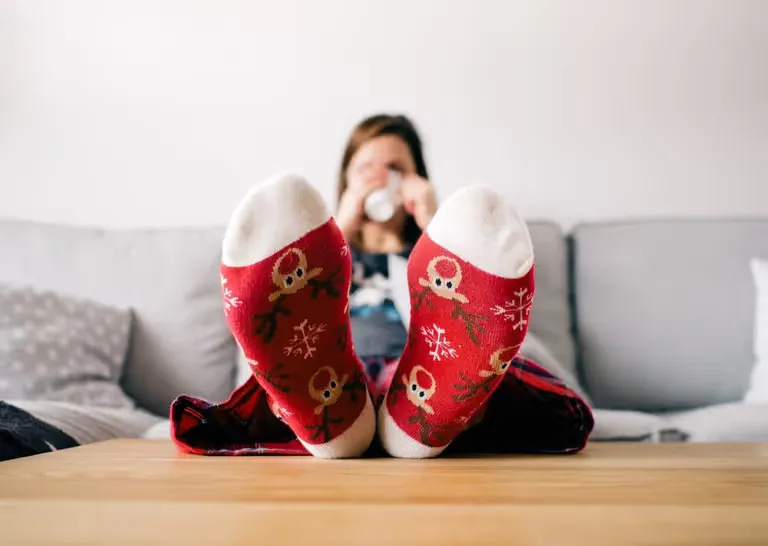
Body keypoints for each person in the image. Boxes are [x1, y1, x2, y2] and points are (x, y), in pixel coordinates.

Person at [168, 113, 593, 459]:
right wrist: (340, 228)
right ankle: (347, 419)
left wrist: (434, 225)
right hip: (328, 373)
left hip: (427, 373)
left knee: (488, 369)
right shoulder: (314, 260)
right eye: (367, 170)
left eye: (397, 170)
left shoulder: (450, 258)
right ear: (346, 184)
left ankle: (404, 419)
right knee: (285, 374)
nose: (382, 179)